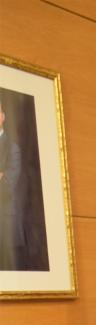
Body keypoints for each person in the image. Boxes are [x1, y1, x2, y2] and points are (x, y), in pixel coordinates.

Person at [0, 98, 22, 271]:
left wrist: (3, 176)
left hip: (4, 229)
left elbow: (7, 186)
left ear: (3, 117)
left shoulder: (12, 148)